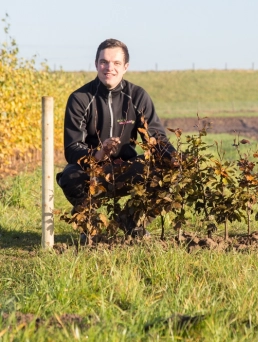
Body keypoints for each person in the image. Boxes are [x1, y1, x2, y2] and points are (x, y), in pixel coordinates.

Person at [56, 38, 176, 235]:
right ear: (96, 64)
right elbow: (72, 147)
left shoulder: (137, 96)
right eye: (104, 62)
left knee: (167, 172)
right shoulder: (80, 98)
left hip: (127, 169)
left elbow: (156, 139)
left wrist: (175, 159)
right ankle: (90, 228)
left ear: (125, 67)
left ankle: (132, 222)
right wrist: (99, 154)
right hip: (92, 170)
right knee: (70, 176)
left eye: (116, 63)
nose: (109, 68)